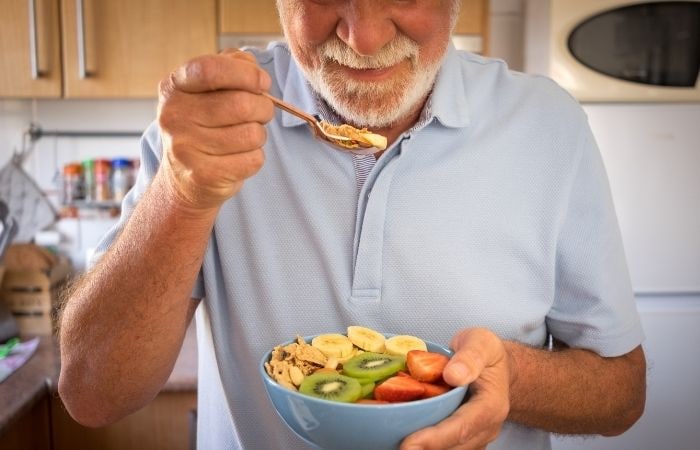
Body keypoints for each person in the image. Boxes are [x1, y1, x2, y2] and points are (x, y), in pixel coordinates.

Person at [57, 1, 647, 449]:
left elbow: (621, 393)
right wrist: (181, 198)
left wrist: (511, 377)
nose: (362, 37)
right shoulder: (205, 126)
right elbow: (91, 393)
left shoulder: (547, 126)